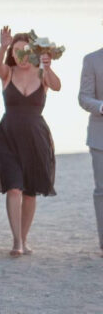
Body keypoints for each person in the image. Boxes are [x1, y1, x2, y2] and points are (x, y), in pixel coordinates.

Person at [0, 27, 60, 256]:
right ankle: (17, 242)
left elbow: (57, 85)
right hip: (8, 136)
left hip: (35, 138)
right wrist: (3, 46)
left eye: (26, 51)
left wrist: (47, 66)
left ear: (34, 52)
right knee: (13, 188)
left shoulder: (42, 73)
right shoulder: (8, 72)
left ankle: (25, 237)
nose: (21, 56)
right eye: (17, 51)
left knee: (29, 191)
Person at [79, 44, 103, 257]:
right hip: (100, 137)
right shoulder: (92, 59)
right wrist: (101, 106)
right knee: (102, 191)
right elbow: (84, 97)